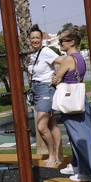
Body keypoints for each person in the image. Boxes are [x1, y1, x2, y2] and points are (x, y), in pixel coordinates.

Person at [51, 27, 91, 182]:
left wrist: (55, 77)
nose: (59, 43)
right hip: (80, 100)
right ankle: (81, 166)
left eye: (62, 41)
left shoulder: (67, 60)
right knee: (86, 135)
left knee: (79, 137)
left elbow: (56, 79)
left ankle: (88, 172)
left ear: (71, 42)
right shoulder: (79, 58)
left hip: (69, 102)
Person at [27, 25, 62, 167]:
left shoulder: (46, 51)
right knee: (52, 123)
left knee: (41, 126)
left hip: (46, 89)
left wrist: (58, 76)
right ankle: (59, 154)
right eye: (32, 38)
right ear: (29, 39)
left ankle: (52, 155)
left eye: (37, 37)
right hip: (36, 89)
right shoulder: (31, 55)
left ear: (42, 39)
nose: (35, 40)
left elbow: (63, 61)